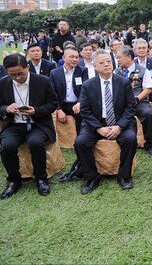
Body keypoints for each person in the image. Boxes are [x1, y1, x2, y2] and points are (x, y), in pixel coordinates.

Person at [74, 49, 138, 194]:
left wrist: (119, 127)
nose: (107, 65)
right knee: (80, 142)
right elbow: (85, 111)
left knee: (130, 139)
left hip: (119, 122)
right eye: (102, 63)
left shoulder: (123, 82)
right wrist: (98, 128)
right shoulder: (88, 85)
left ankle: (124, 176)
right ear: (95, 67)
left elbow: (130, 107)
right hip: (97, 124)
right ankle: (92, 177)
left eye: (109, 61)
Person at [0, 54, 58, 199]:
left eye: (20, 73)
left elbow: (53, 103)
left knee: (36, 142)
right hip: (14, 125)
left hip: (38, 123)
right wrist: (6, 108)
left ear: (28, 67)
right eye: (12, 75)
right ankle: (14, 180)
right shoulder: (3, 83)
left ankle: (41, 178)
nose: (17, 78)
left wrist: (36, 111)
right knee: (7, 146)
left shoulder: (43, 81)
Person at [50, 48, 89, 181]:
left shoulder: (82, 71)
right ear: (63, 58)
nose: (75, 59)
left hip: (77, 104)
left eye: (77, 57)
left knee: (84, 118)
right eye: (71, 57)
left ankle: (81, 141)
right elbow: (53, 94)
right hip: (62, 104)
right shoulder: (54, 73)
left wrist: (80, 102)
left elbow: (85, 89)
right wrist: (58, 109)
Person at [115, 45, 152, 156]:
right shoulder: (116, 71)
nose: (117, 60)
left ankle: (149, 145)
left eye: (119, 57)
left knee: (148, 114)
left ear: (129, 57)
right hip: (121, 103)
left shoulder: (143, 70)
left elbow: (148, 88)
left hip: (138, 101)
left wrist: (137, 99)